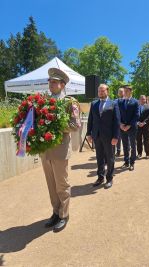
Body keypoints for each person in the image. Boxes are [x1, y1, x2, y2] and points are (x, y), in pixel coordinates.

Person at [41, 68, 80, 232]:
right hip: (45, 150)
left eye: (55, 82)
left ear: (63, 85)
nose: (51, 84)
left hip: (60, 149)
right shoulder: (43, 101)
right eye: (50, 81)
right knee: (51, 184)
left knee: (61, 184)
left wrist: (55, 124)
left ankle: (64, 215)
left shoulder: (70, 102)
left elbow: (75, 125)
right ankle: (55, 212)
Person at [86, 84, 120, 189]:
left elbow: (117, 121)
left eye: (102, 91)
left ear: (107, 91)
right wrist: (88, 133)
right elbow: (90, 120)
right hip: (97, 135)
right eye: (99, 91)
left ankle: (109, 178)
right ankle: (100, 177)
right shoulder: (94, 104)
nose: (100, 93)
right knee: (99, 157)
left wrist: (116, 136)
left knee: (110, 158)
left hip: (109, 136)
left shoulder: (113, 104)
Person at [118, 85, 139, 171]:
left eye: (126, 91)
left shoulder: (135, 102)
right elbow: (118, 114)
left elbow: (136, 115)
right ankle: (126, 161)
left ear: (131, 91)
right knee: (125, 145)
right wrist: (120, 124)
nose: (125, 93)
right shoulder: (121, 102)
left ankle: (132, 162)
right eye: (124, 91)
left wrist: (129, 125)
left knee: (133, 145)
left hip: (132, 127)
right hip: (122, 127)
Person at [137, 95, 149, 159]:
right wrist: (138, 122)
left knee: (146, 140)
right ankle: (139, 153)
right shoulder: (136, 107)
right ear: (139, 100)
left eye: (144, 99)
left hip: (146, 126)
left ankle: (147, 153)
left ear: (146, 100)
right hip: (138, 126)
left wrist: (144, 122)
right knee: (138, 140)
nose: (143, 100)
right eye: (142, 99)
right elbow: (134, 115)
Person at [115, 87, 124, 157]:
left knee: (126, 138)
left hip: (125, 123)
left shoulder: (127, 101)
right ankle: (118, 151)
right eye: (119, 92)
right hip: (117, 123)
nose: (120, 93)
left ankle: (127, 149)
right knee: (117, 137)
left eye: (121, 92)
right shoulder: (115, 101)